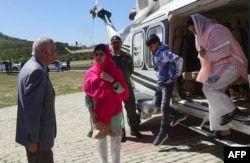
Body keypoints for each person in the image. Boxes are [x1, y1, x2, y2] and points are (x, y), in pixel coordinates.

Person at [186, 14, 248, 139]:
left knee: (208, 87)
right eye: (192, 32)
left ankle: (231, 110)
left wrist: (206, 54)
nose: (195, 33)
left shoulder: (215, 29)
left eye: (194, 30)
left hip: (231, 64)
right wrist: (204, 54)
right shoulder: (203, 35)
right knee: (211, 94)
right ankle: (222, 130)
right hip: (220, 67)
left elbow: (225, 51)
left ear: (199, 25)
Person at [83, 44, 129, 163]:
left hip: (114, 111)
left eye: (101, 54)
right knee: (101, 141)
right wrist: (90, 110)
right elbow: (87, 94)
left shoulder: (115, 72)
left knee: (116, 141)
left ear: (107, 55)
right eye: (96, 54)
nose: (98, 57)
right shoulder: (90, 73)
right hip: (98, 112)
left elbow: (123, 92)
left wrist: (112, 80)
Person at [16, 37, 57, 163]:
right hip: (39, 141)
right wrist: (33, 140)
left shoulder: (28, 66)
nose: (56, 54)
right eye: (54, 50)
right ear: (44, 52)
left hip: (36, 139)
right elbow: (32, 110)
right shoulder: (37, 71)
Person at [146, 34, 187, 146]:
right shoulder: (155, 53)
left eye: (151, 46)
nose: (150, 49)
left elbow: (179, 59)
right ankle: (178, 114)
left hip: (168, 82)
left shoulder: (164, 53)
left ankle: (162, 133)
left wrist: (177, 74)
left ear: (157, 44)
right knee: (157, 103)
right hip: (160, 81)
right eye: (149, 47)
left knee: (164, 107)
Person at [110, 35, 143, 142]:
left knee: (131, 109)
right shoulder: (109, 58)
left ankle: (135, 130)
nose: (116, 45)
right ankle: (122, 133)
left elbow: (131, 69)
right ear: (112, 45)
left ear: (121, 43)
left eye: (117, 42)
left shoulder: (127, 56)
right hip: (114, 87)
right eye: (114, 43)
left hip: (127, 86)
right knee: (118, 111)